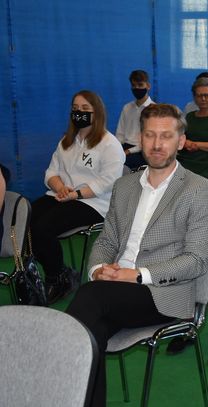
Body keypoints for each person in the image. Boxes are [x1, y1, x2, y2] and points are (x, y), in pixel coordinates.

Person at [66, 103, 208, 407]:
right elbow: (107, 240)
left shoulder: (199, 189)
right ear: (140, 138)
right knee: (90, 333)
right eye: (150, 135)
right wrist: (98, 269)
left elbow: (197, 259)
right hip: (114, 289)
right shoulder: (124, 186)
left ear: (180, 141)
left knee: (90, 299)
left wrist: (136, 275)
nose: (157, 144)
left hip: (164, 293)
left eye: (166, 136)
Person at [31, 90, 125, 304]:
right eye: (75, 109)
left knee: (43, 228)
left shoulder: (109, 144)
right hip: (61, 195)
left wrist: (76, 194)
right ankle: (60, 271)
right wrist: (60, 188)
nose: (79, 113)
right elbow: (51, 172)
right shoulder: (66, 141)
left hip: (94, 203)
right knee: (25, 219)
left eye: (85, 109)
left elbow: (108, 182)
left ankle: (57, 278)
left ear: (97, 112)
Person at [177, 76, 208, 178]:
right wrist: (186, 143)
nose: (203, 99)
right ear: (194, 97)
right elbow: (181, 139)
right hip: (184, 160)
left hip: (205, 164)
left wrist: (196, 144)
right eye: (199, 95)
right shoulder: (190, 116)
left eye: (206, 95)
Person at [116, 69, 155, 169]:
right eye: (134, 85)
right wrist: (117, 150)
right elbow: (120, 134)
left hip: (143, 151)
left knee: (122, 165)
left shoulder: (154, 109)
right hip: (125, 148)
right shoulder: (127, 107)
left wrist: (128, 151)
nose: (137, 88)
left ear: (148, 86)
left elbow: (149, 140)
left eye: (140, 85)